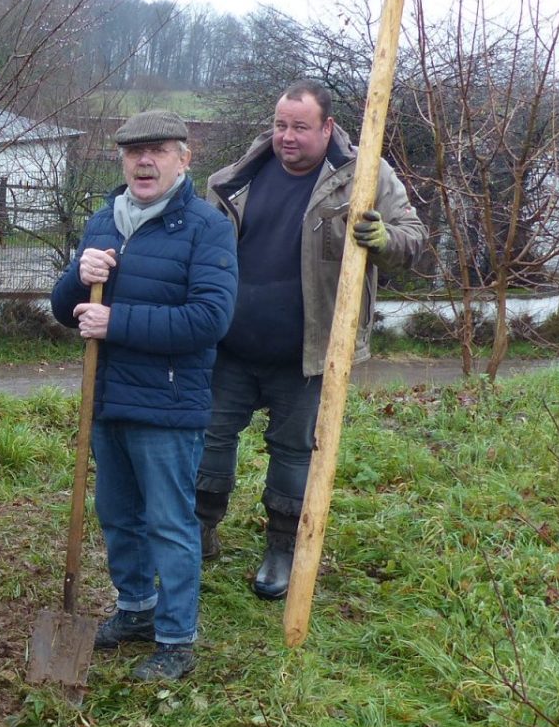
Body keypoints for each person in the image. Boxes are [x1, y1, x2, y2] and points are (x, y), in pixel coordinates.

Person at [198, 79, 425, 598]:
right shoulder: (235, 179)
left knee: (294, 452)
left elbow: (414, 238)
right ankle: (200, 527)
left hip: (309, 352)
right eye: (280, 125)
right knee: (208, 437)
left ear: (327, 127)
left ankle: (282, 546)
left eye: (300, 126)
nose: (287, 137)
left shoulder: (364, 179)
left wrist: (385, 241)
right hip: (229, 347)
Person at [51, 110, 237, 682]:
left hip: (169, 404)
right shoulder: (103, 222)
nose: (144, 162)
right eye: (133, 153)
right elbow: (66, 312)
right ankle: (134, 609)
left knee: (169, 521)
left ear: (184, 158)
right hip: (107, 399)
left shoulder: (207, 228)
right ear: (121, 160)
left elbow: (210, 319)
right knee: (118, 515)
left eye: (157, 150)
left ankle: (177, 637)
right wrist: (77, 276)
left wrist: (118, 321)